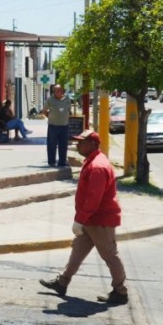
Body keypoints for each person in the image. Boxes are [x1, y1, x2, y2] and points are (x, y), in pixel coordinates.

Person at [39, 130, 128, 305]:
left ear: (93, 144)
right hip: (90, 220)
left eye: (81, 142)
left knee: (110, 256)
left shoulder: (97, 167)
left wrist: (80, 219)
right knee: (77, 251)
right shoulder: (92, 161)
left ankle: (120, 292)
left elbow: (94, 198)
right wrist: (82, 219)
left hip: (99, 220)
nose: (77, 145)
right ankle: (62, 282)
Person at [40, 85, 72, 167]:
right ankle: (51, 162)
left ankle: (62, 162)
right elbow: (44, 111)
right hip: (53, 126)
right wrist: (50, 117)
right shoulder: (50, 100)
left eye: (58, 91)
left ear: (62, 91)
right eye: (55, 91)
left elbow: (69, 110)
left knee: (63, 145)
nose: (56, 92)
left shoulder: (67, 99)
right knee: (51, 145)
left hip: (64, 126)